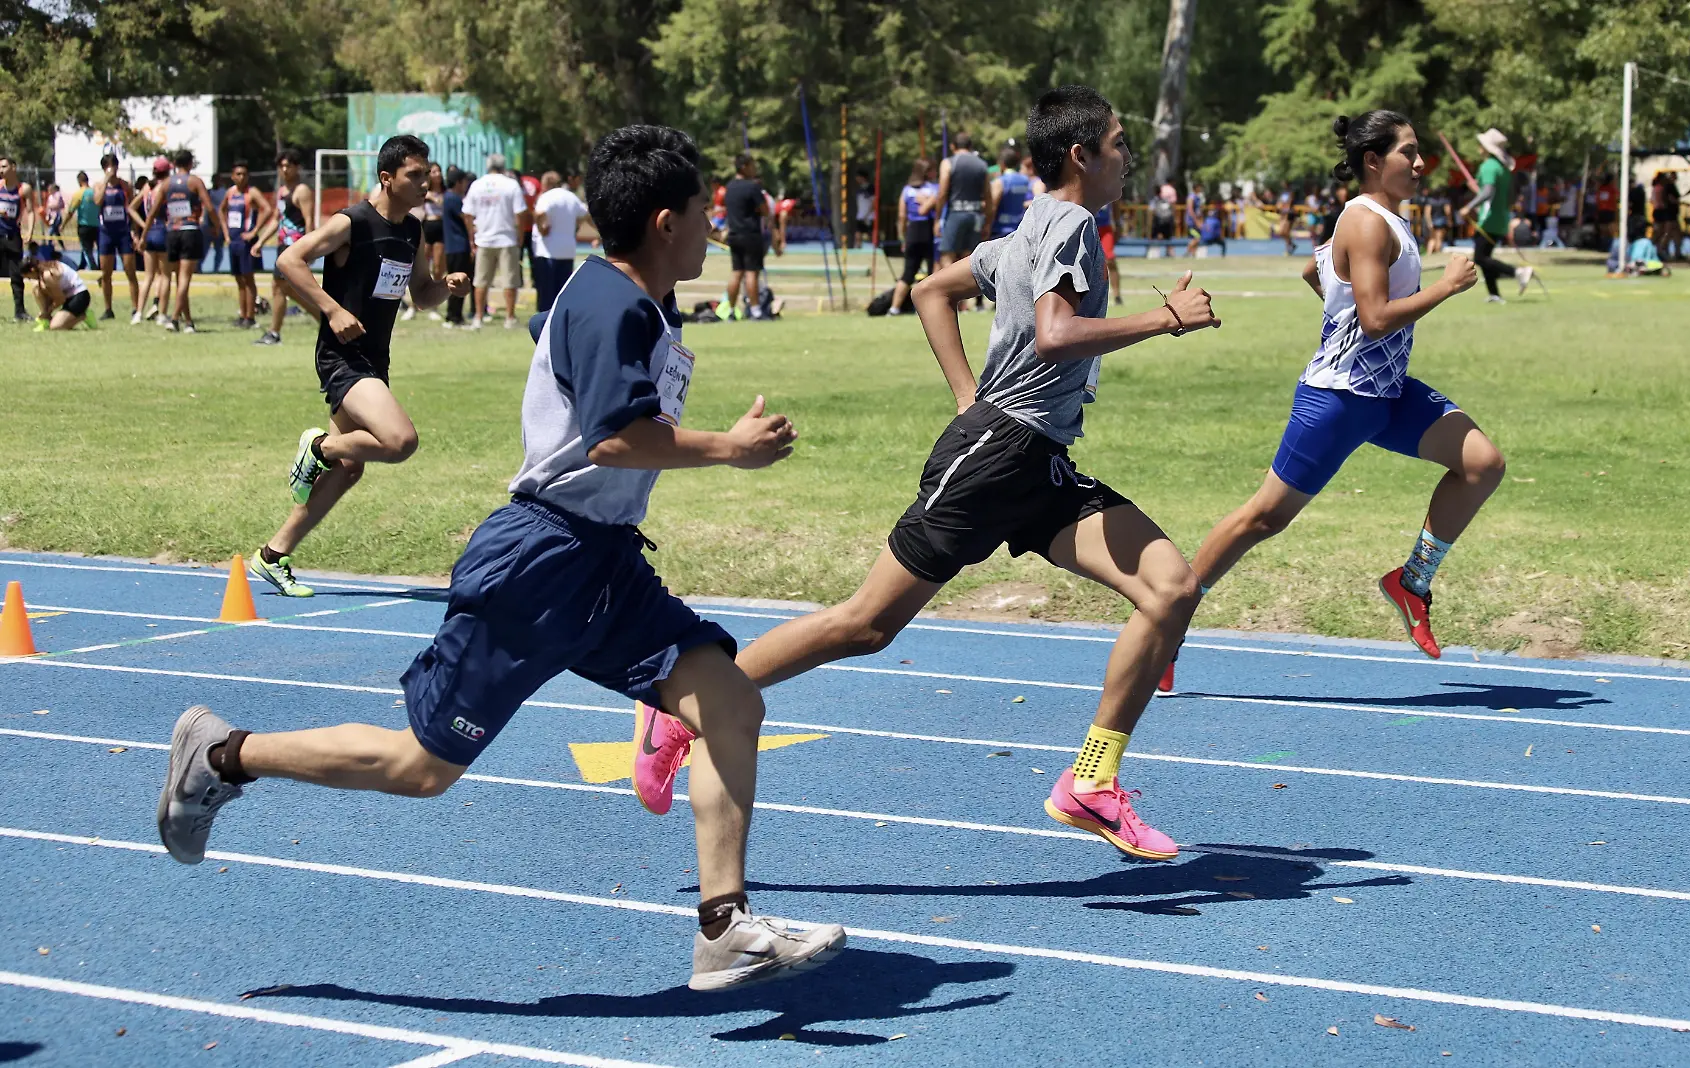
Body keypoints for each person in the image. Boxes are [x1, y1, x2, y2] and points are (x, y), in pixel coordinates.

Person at [160, 124, 845, 992]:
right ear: (668, 222)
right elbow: (614, 443)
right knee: (422, 768)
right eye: (709, 214)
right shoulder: (612, 302)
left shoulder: (625, 299)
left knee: (731, 701)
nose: (717, 230)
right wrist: (730, 448)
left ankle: (724, 928)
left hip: (602, 563)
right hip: (541, 562)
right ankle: (223, 755)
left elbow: (566, 360)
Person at [643, 85, 1221, 861]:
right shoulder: (1074, 223)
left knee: (1172, 588)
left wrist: (965, 396)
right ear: (1082, 155)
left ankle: (1091, 782)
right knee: (866, 625)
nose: (1128, 158)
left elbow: (931, 289)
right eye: (1119, 143)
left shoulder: (1026, 233)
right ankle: (678, 705)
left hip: (1032, 461)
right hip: (997, 460)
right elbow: (1055, 335)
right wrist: (1164, 318)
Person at [1186, 111, 1496, 670]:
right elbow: (1376, 319)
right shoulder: (1367, 221)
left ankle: (1412, 583)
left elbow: (1317, 273)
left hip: (1388, 394)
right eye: (1410, 152)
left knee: (1482, 463)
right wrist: (1447, 287)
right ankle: (1171, 612)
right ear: (1374, 161)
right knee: (1264, 518)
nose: (1422, 164)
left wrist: (1341, 310)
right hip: (1338, 399)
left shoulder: (1380, 219)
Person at [245, 135, 472, 599]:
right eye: (414, 174)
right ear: (387, 178)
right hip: (341, 357)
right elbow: (290, 260)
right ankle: (321, 446)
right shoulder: (352, 222)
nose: (426, 181)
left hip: (375, 358)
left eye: (427, 173)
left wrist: (447, 286)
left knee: (350, 468)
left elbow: (421, 294)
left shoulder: (413, 230)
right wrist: (330, 309)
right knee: (399, 440)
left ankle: (272, 554)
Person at [1456, 128, 1534, 303]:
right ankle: (1494, 294)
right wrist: (1476, 188)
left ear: (1486, 148)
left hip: (1488, 219)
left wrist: (1469, 206)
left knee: (1480, 258)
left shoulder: (1488, 166)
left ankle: (1517, 272)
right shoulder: (1502, 169)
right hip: (1500, 219)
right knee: (1485, 257)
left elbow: (1488, 192)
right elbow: (1496, 193)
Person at [153, 148, 224, 333]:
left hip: (172, 232)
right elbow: (209, 206)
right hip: (190, 230)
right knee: (184, 279)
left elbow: (154, 210)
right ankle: (175, 319)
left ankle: (188, 321)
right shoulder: (194, 182)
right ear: (191, 163)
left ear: (175, 164)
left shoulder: (167, 183)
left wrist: (144, 233)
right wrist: (216, 227)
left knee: (178, 279)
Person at [255, 151, 318, 345]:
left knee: (281, 287)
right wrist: (260, 242)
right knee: (286, 289)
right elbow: (277, 219)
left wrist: (310, 249)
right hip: (283, 245)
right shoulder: (282, 191)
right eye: (281, 166)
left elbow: (309, 222)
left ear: (297, 167)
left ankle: (274, 333)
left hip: (295, 247)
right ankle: (324, 318)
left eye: (288, 166)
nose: (284, 169)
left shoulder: (302, 191)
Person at [460, 154, 528, 329]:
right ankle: (509, 317)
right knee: (509, 280)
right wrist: (520, 235)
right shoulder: (511, 184)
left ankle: (478, 316)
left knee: (481, 281)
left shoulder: (477, 185)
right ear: (503, 167)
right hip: (506, 238)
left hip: (484, 238)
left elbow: (467, 213)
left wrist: (471, 235)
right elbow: (520, 213)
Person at [721, 153, 778, 321]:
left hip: (734, 234)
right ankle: (755, 311)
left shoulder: (729, 187)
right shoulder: (752, 187)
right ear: (744, 166)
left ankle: (730, 311)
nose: (755, 169)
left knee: (736, 273)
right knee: (752, 273)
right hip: (750, 234)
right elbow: (765, 210)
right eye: (752, 166)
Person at [531, 169, 589, 313]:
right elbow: (585, 214)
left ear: (546, 183)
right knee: (562, 290)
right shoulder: (571, 197)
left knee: (546, 292)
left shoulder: (546, 197)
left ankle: (545, 319)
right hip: (567, 250)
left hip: (547, 251)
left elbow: (539, 213)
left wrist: (541, 228)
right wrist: (576, 226)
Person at [887, 158, 937, 316]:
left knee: (908, 273)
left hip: (913, 232)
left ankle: (894, 308)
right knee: (932, 273)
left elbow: (902, 216)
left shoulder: (907, 190)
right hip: (929, 231)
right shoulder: (935, 188)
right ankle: (927, 308)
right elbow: (933, 208)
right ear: (926, 172)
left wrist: (903, 237)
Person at [936, 132, 991, 276]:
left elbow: (942, 193)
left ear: (952, 146)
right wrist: (987, 222)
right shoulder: (982, 165)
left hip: (956, 213)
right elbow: (988, 196)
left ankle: (951, 295)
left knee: (947, 256)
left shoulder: (948, 163)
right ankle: (964, 297)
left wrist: (937, 219)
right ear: (970, 146)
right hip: (976, 216)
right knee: (968, 259)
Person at [224, 161, 270, 329]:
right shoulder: (230, 193)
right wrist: (225, 232)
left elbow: (268, 209)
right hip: (234, 240)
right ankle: (242, 314)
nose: (241, 177)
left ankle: (250, 316)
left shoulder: (252, 193)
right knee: (238, 279)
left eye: (244, 174)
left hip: (246, 241)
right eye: (238, 174)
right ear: (232, 176)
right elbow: (221, 210)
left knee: (248, 278)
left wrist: (254, 231)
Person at [94, 155, 138, 319]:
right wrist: (105, 181)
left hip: (123, 232)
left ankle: (135, 308)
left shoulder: (125, 186)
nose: (113, 170)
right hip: (106, 232)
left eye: (115, 166)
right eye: (109, 167)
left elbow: (132, 208)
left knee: (130, 270)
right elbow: (97, 201)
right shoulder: (99, 185)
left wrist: (135, 232)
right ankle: (108, 309)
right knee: (106, 273)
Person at [134, 159, 174, 324]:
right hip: (163, 231)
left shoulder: (146, 188)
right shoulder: (165, 187)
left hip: (150, 232)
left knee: (148, 277)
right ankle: (162, 314)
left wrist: (143, 228)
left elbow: (131, 207)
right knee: (165, 276)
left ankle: (138, 313)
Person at [0, 154, 36, 322]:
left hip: (13, 236)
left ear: (13, 167)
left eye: (4, 167)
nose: (1, 170)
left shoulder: (24, 189)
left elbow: (30, 211)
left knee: (16, 275)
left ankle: (20, 312)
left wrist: (29, 230)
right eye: (0, 167)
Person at [28, 243, 96, 330]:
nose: (30, 279)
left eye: (28, 276)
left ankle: (84, 315)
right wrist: (44, 311)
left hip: (79, 295)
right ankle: (46, 321)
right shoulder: (43, 272)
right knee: (37, 288)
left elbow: (60, 299)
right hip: (67, 295)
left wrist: (48, 311)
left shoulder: (48, 274)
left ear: (32, 270)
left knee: (56, 327)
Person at [440, 167, 474, 328]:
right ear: (459, 182)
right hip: (459, 246)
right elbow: (466, 217)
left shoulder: (448, 197)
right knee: (459, 282)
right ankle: (455, 316)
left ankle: (453, 315)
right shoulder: (454, 198)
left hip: (452, 247)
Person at [417, 162, 446, 318]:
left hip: (441, 227)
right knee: (422, 265)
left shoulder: (445, 192)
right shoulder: (424, 191)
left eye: (438, 171)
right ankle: (414, 306)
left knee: (438, 267)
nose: (437, 174)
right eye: (433, 172)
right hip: (428, 226)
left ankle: (434, 307)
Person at [989, 146, 1033, 240]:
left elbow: (992, 206)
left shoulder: (1000, 182)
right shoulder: (1025, 180)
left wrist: (987, 226)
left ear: (1002, 163)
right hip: (1018, 229)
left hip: (1000, 231)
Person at [1094, 200, 1123, 305]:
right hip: (1088, 223)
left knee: (1110, 260)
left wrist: (1118, 223)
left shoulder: (1106, 184)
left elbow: (1115, 203)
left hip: (1105, 227)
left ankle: (1117, 295)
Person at [73, 171, 98, 270]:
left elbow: (71, 210)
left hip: (84, 225)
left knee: (87, 248)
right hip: (96, 225)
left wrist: (63, 224)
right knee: (89, 247)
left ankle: (94, 267)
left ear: (79, 181)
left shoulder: (79, 193)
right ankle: (82, 265)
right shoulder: (94, 192)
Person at [40, 179, 66, 253]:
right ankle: (62, 246)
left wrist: (51, 206)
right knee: (56, 232)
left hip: (56, 216)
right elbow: (48, 206)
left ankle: (49, 246)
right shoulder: (50, 197)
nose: (49, 190)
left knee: (51, 231)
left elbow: (59, 204)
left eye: (50, 189)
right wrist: (47, 214)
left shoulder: (57, 195)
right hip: (51, 216)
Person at [1148, 185, 1173, 253]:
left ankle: (1150, 252)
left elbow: (1151, 211)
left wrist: (1149, 223)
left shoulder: (1154, 200)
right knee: (1168, 238)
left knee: (1153, 237)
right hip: (1167, 221)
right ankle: (1171, 253)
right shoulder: (1165, 200)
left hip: (1158, 221)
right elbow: (1170, 209)